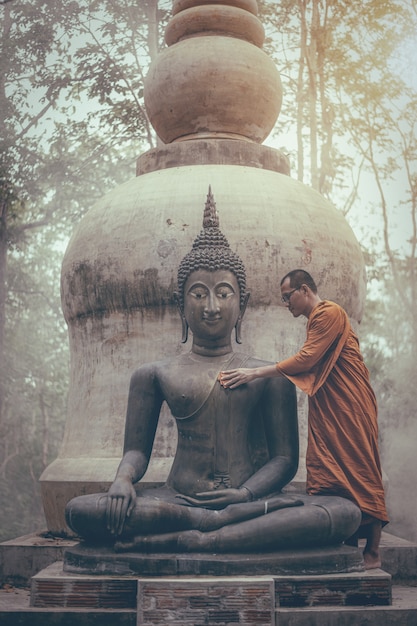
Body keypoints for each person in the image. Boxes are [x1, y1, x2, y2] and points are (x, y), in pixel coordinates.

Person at [65, 193, 361, 554]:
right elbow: (135, 452)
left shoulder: (266, 374)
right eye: (198, 294)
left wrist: (245, 494)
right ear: (181, 304)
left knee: (343, 513)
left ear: (242, 304)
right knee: (81, 511)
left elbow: (284, 460)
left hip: (249, 502)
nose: (211, 307)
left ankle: (206, 531)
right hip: (179, 499)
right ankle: (207, 525)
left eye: (223, 293)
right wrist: (123, 479)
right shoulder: (154, 373)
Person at [219, 269, 388, 569]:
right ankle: (347, 541)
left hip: (351, 406)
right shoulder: (316, 320)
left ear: (305, 290)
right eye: (283, 299)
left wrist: (255, 372)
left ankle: (373, 550)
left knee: (360, 468)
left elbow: (307, 359)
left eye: (288, 297)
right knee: (334, 472)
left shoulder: (329, 312)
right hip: (330, 407)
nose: (286, 304)